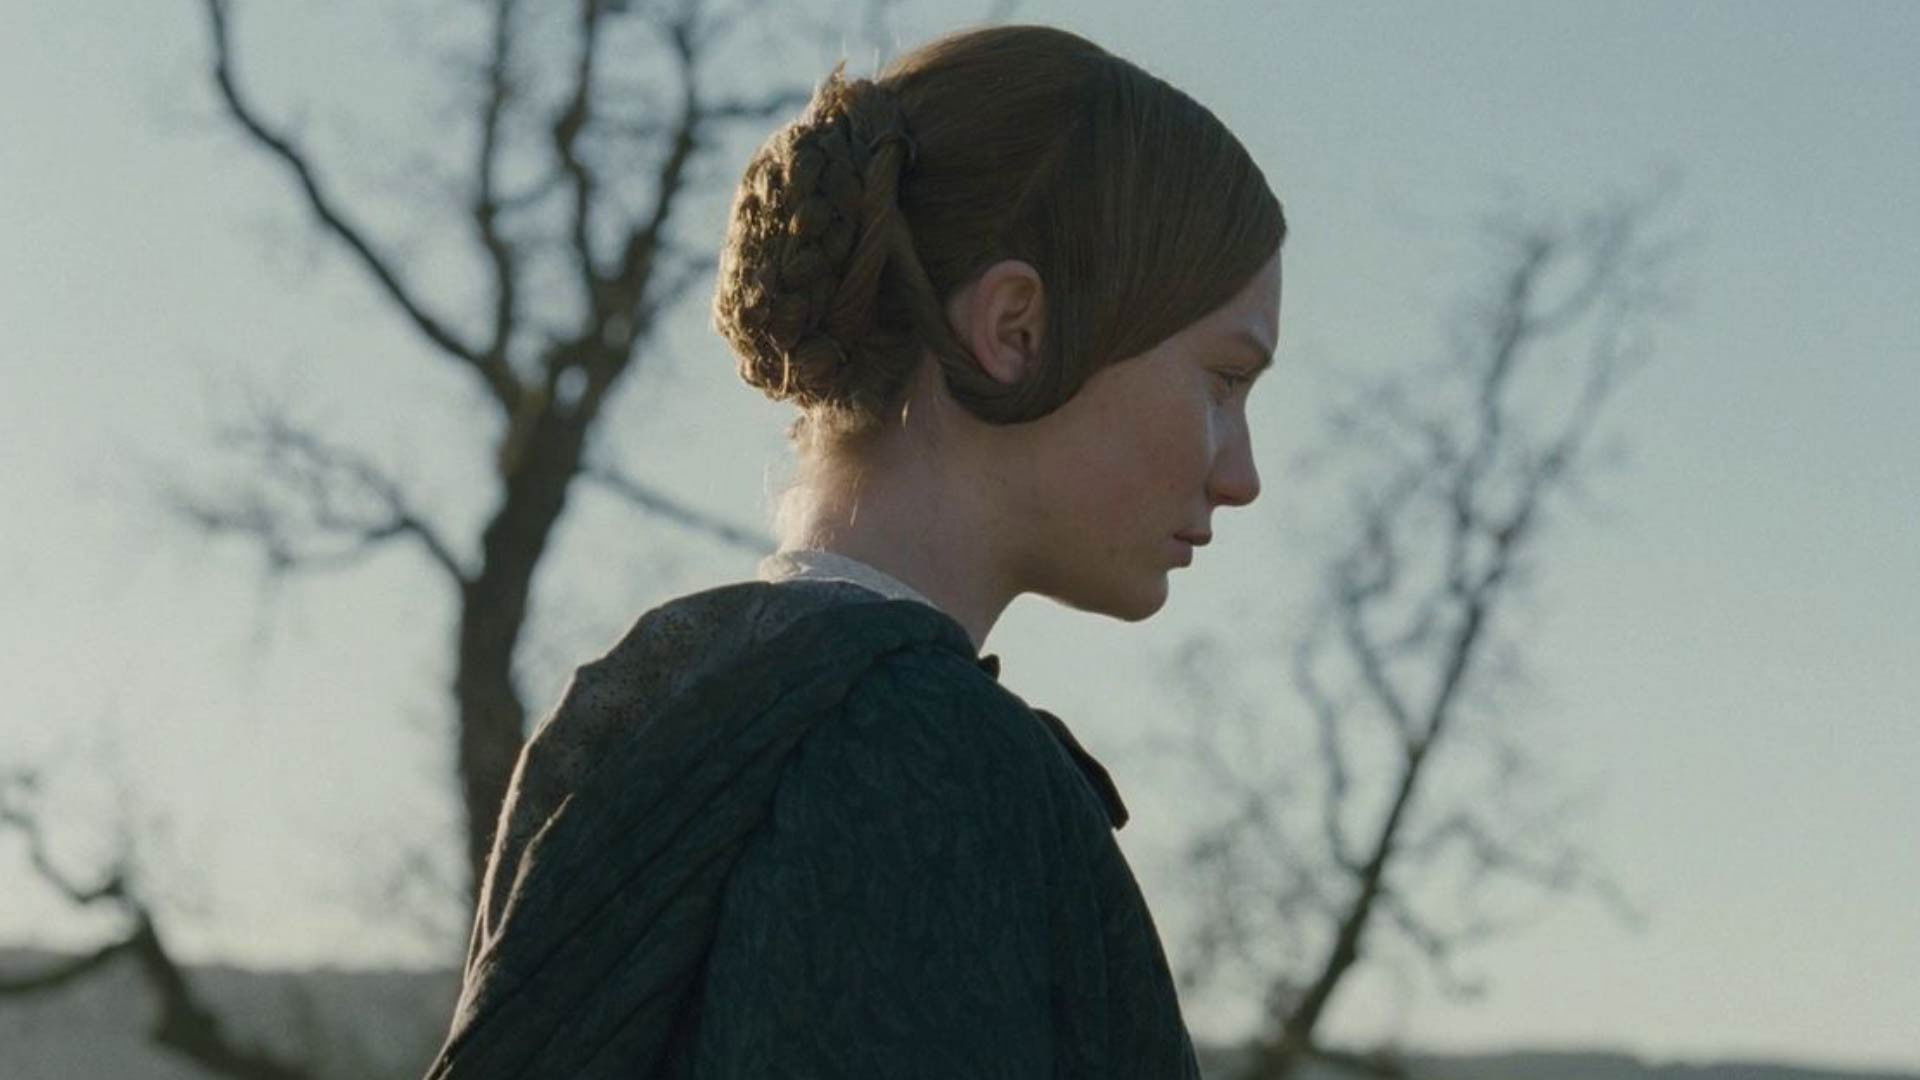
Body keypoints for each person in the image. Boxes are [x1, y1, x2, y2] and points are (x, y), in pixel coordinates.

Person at [426, 22, 1283, 1080]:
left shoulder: (640, 700)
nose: (1240, 473)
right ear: (1017, 329)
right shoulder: (924, 756)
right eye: (1223, 382)